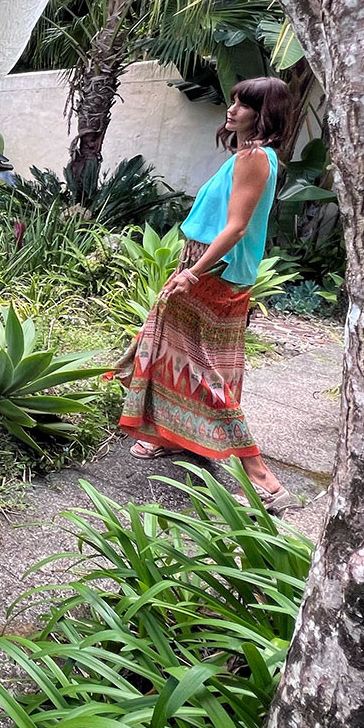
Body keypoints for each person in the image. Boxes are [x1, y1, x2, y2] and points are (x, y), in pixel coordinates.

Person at [113, 76, 300, 513]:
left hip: (213, 272)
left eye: (243, 104)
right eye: (232, 101)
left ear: (264, 114)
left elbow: (236, 227)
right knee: (175, 355)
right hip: (209, 267)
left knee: (201, 368)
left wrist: (193, 274)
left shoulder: (254, 157)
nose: (232, 109)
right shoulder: (250, 155)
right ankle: (171, 436)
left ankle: (262, 479)